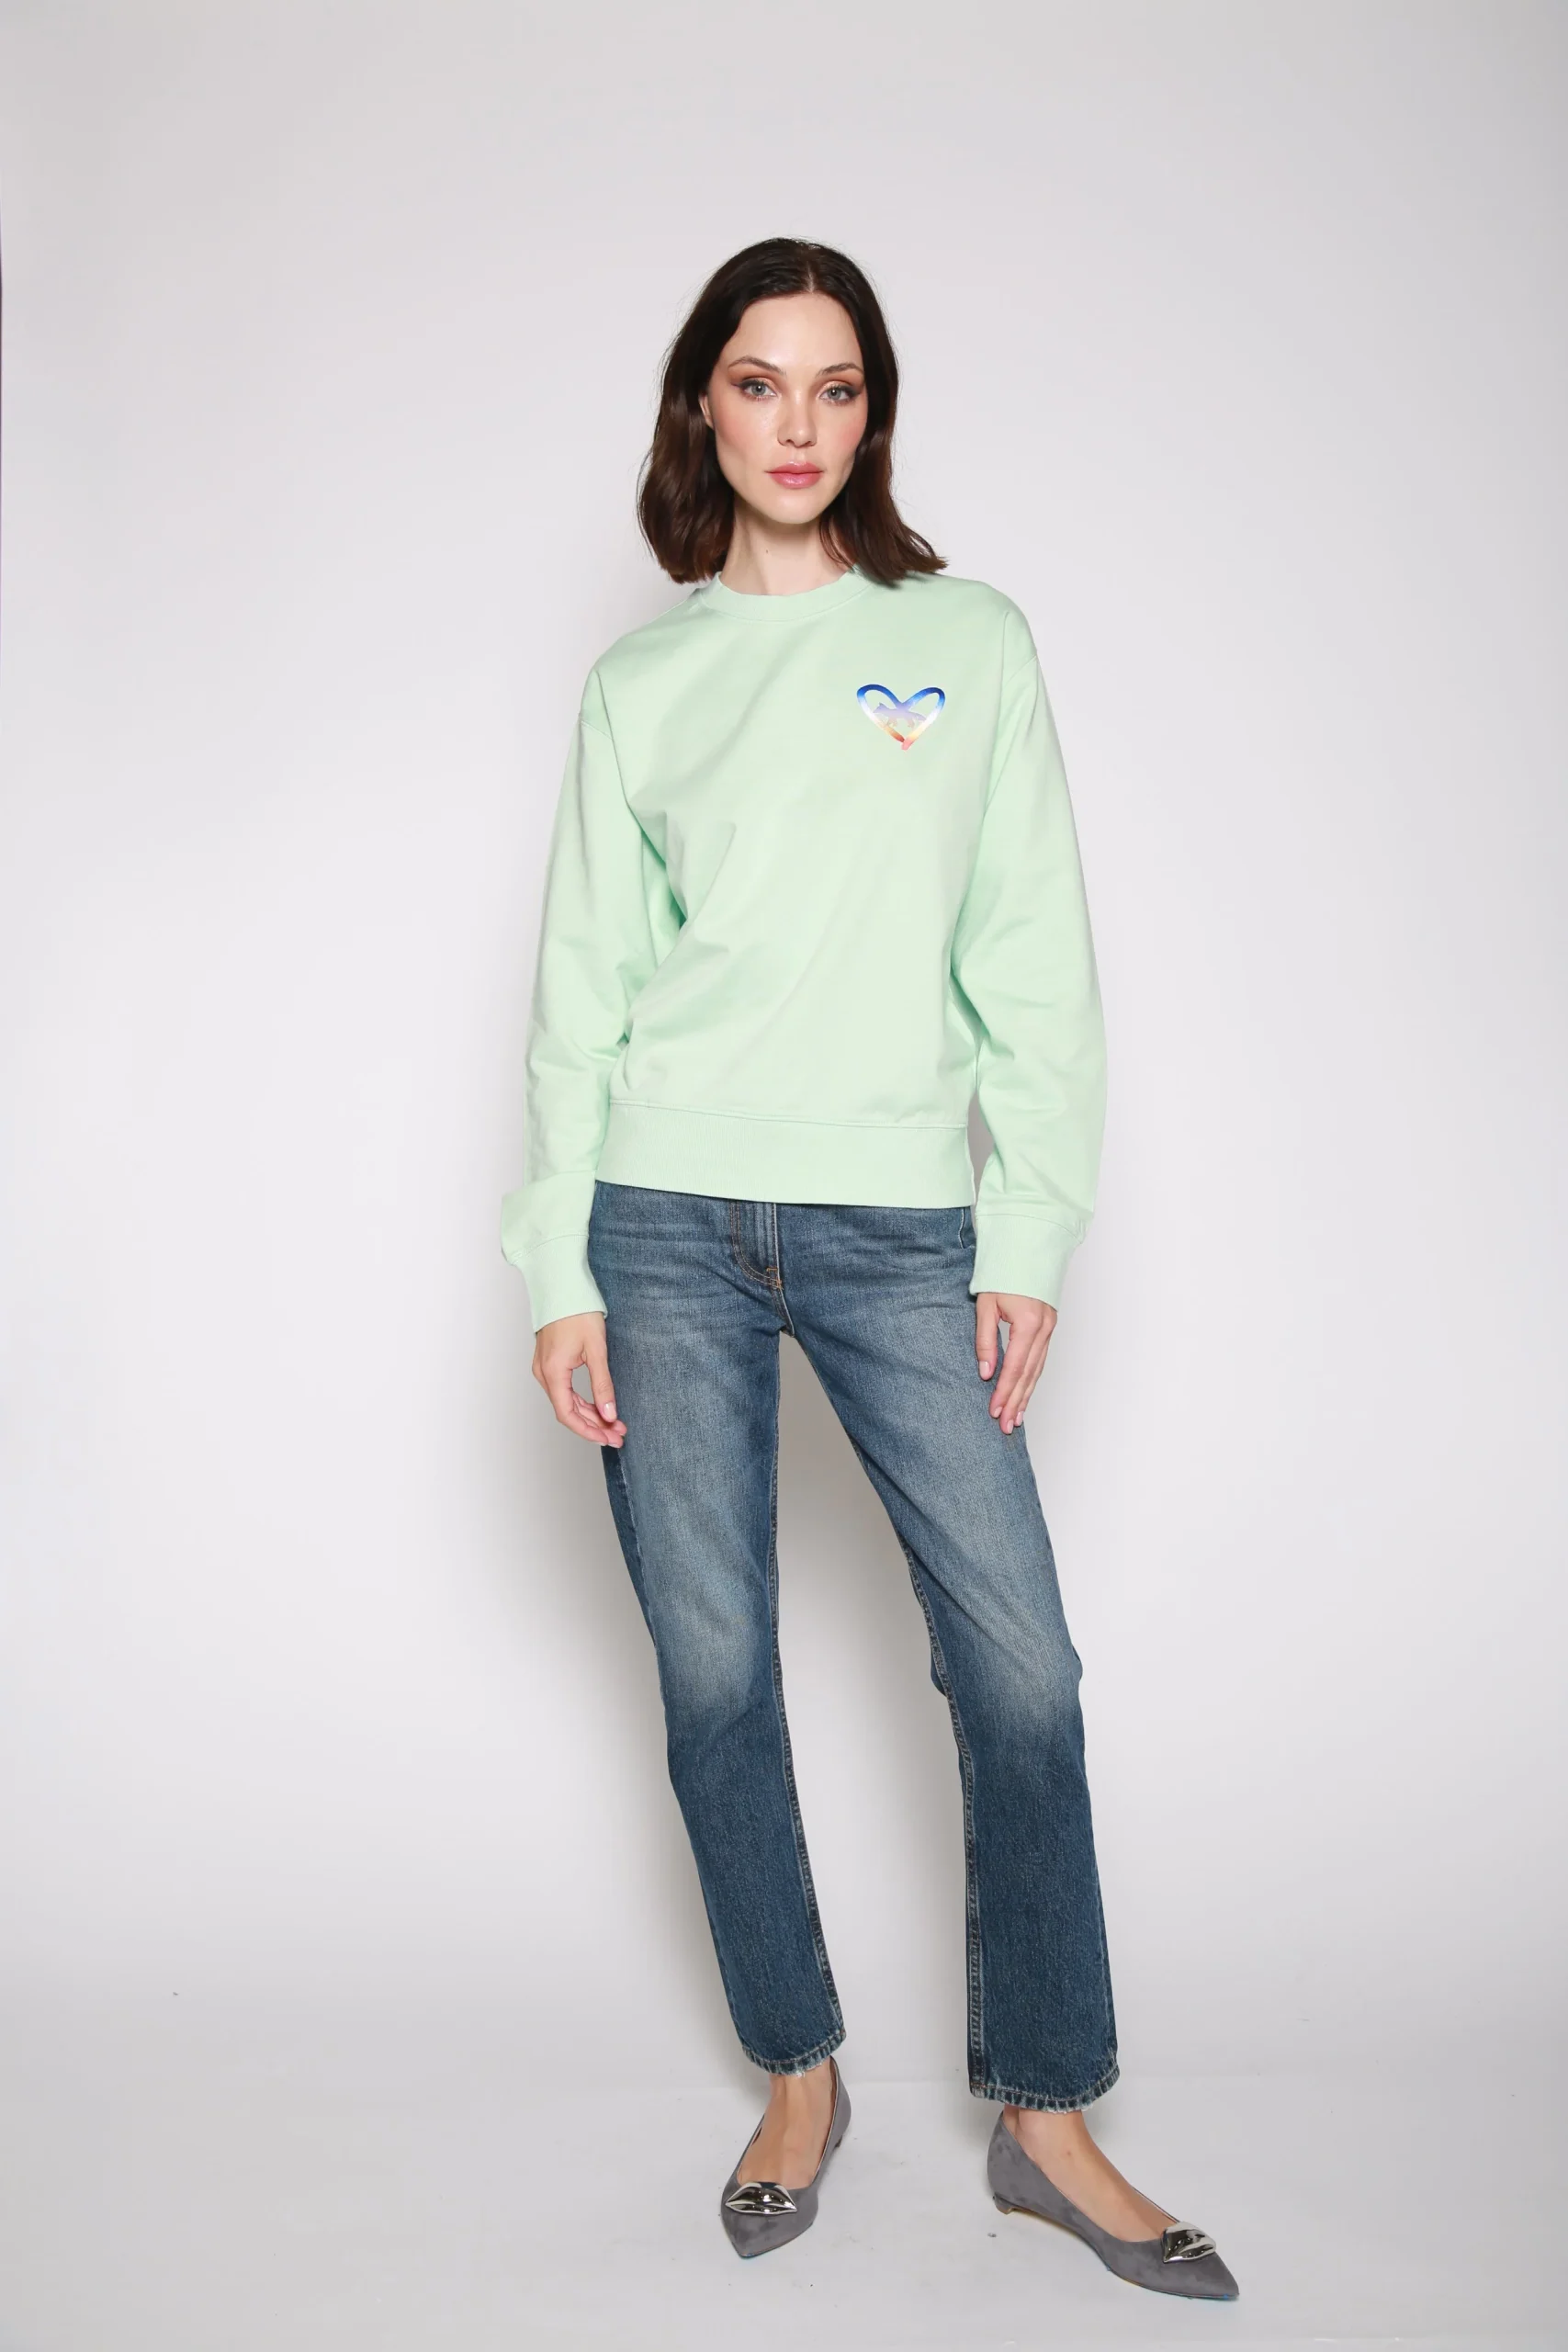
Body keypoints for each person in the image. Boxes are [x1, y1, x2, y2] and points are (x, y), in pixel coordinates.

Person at [501, 236, 1237, 2302]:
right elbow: (581, 994)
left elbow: (1032, 956)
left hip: (904, 1222)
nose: (798, 424)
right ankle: (799, 2070)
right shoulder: (639, 686)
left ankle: (1046, 2111)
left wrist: (1030, 1226)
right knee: (714, 1672)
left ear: (873, 413)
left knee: (1020, 1670)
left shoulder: (965, 641)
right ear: (703, 407)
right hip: (659, 1219)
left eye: (835, 387)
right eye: (760, 383)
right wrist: (557, 1262)